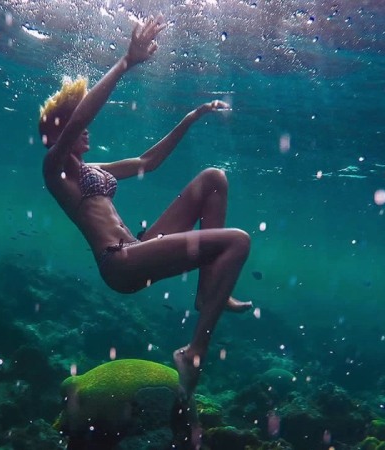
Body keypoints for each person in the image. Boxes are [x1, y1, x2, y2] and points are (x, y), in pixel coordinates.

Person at [39, 14, 252, 401]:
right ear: (59, 132)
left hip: (137, 247)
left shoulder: (93, 169)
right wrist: (125, 62)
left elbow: (146, 162)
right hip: (118, 264)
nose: (85, 128)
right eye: (74, 123)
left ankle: (208, 294)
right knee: (237, 243)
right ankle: (194, 353)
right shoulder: (55, 170)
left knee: (214, 179)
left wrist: (189, 119)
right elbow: (82, 117)